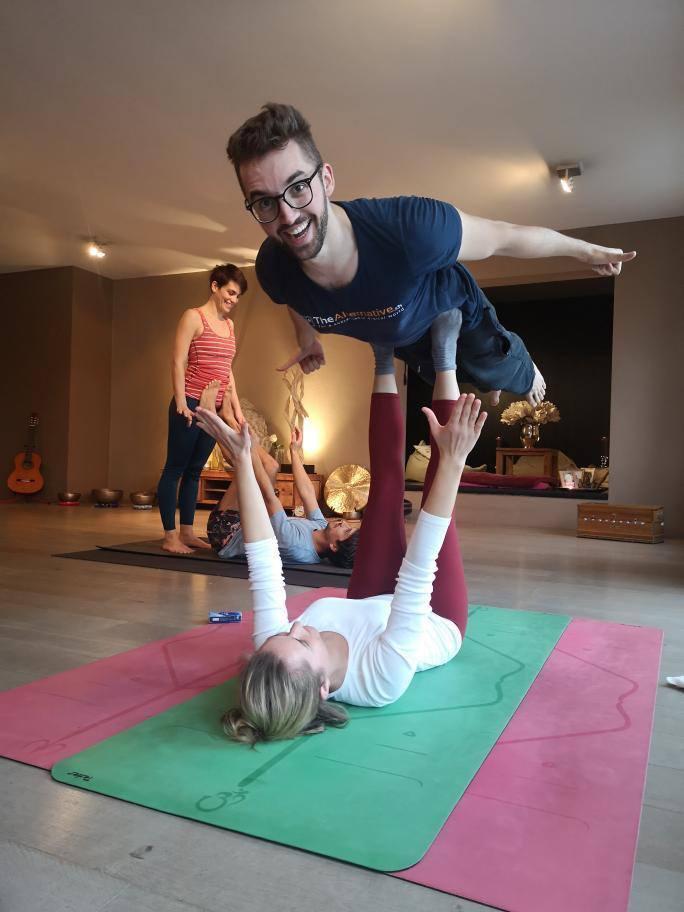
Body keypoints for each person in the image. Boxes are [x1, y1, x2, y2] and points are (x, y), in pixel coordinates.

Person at [225, 103, 636, 405]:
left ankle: (523, 368)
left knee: (494, 369)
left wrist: (584, 251)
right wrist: (307, 335)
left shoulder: (411, 230)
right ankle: (484, 382)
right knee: (456, 377)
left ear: (327, 179)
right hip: (401, 334)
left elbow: (504, 237)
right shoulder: (273, 268)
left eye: (299, 187)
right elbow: (290, 297)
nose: (288, 216)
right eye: (264, 202)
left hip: (451, 308)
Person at [195, 365, 484, 744]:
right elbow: (418, 570)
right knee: (440, 475)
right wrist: (455, 460)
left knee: (382, 494)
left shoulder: (277, 650)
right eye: (301, 641)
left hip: (369, 605)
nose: (294, 627)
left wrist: (242, 459)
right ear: (322, 689)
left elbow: (263, 559)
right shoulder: (381, 680)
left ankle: (382, 357)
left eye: (281, 637)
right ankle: (447, 363)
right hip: (434, 617)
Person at [198, 382, 359, 567]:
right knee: (271, 465)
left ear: (334, 547)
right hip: (249, 523)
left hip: (226, 533)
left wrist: (249, 451)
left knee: (247, 462)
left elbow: (269, 498)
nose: (343, 523)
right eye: (349, 526)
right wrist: (294, 451)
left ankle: (211, 416)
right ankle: (227, 418)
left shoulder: (297, 545)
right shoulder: (321, 528)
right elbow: (307, 491)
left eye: (346, 531)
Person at [157, 264, 247, 554]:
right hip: (192, 404)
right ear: (215, 286)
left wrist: (236, 407)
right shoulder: (193, 317)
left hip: (215, 408)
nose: (233, 300)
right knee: (175, 469)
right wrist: (182, 402)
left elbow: (227, 370)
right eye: (230, 292)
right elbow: (177, 361)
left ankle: (187, 532)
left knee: (195, 471)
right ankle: (170, 536)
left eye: (237, 296)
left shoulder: (230, 326)